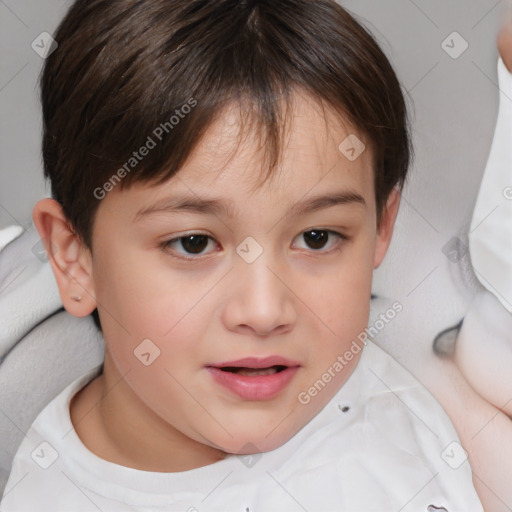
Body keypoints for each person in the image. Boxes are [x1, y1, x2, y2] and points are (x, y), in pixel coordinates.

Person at [0, 0, 483, 510]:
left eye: (317, 237)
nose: (264, 311)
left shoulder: (422, 375)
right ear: (74, 256)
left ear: (381, 227)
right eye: (193, 243)